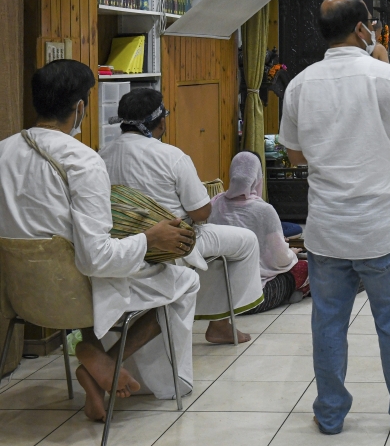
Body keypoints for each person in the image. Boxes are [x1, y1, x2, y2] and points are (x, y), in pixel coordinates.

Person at [0, 60, 199, 421]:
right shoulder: (82, 161)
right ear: (80, 107)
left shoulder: (3, 152)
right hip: (79, 294)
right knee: (185, 280)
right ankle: (107, 361)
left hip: (23, 299)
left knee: (76, 269)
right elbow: (97, 258)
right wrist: (148, 239)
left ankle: (89, 347)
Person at [280, 0, 390, 435]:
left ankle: (330, 414)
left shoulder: (301, 83)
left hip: (327, 229)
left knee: (328, 324)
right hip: (382, 227)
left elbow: (293, 157)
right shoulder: (389, 78)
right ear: (363, 29)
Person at [100, 89, 264, 344]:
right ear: (161, 121)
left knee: (216, 256)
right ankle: (219, 324)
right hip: (174, 241)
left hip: (122, 244)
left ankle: (216, 320)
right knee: (247, 241)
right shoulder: (171, 156)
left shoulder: (102, 155)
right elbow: (201, 213)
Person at [210, 152, 309, 314]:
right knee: (305, 268)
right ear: (257, 177)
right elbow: (281, 259)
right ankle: (297, 291)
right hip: (253, 299)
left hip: (215, 299)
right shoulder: (264, 211)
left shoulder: (215, 203)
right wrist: (291, 254)